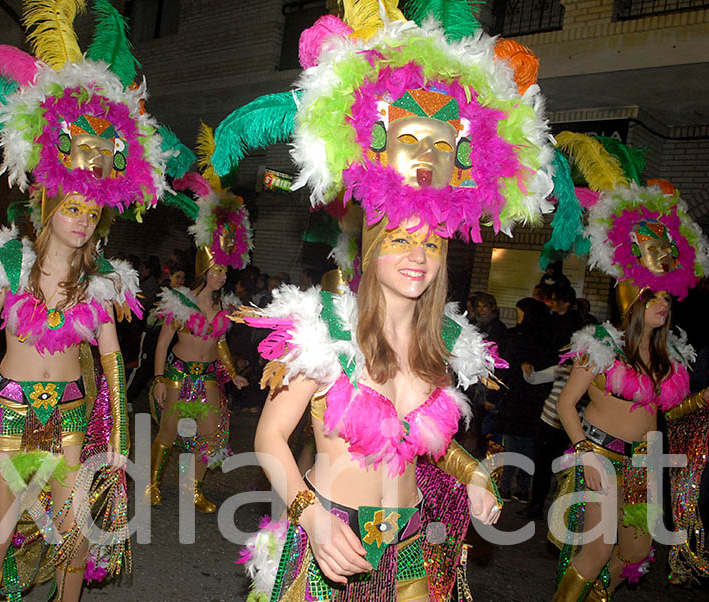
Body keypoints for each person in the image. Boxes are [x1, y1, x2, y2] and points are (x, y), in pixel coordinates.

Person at [216, 3, 555, 598]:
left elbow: (421, 439)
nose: (417, 255)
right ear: (372, 249)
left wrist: (474, 472)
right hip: (329, 542)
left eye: (430, 243)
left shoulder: (446, 342)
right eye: (400, 239)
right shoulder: (324, 330)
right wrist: (309, 514)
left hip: (410, 547)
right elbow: (270, 438)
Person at [0, 3, 181, 599]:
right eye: (73, 208)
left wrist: (117, 430)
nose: (82, 220)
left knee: (74, 536)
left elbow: (110, 359)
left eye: (92, 212)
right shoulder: (10, 263)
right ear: (49, 206)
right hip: (14, 413)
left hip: (71, 417)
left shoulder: (102, 281)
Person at [548, 179, 709, 600]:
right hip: (600, 455)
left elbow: (663, 413)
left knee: (636, 553)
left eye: (667, 299)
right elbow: (567, 404)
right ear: (634, 301)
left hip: (644, 463)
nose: (663, 304)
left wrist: (702, 401)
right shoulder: (599, 348)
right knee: (596, 550)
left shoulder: (671, 355)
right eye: (654, 297)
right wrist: (583, 450)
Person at [147, 162, 252, 513]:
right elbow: (162, 344)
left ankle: (194, 491)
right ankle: (152, 484)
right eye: (217, 271)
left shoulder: (226, 308)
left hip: (207, 378)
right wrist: (160, 379)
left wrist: (231, 371)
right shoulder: (179, 303)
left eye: (225, 271)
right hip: (178, 376)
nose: (223, 277)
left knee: (210, 438)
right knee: (168, 433)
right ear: (204, 272)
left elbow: (219, 342)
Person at [494, 297, 554, 502]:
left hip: (523, 399)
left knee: (518, 444)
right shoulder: (543, 339)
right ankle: (518, 487)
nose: (518, 316)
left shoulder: (522, 338)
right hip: (529, 400)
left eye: (520, 312)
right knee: (522, 444)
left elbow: (507, 365)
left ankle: (511, 487)